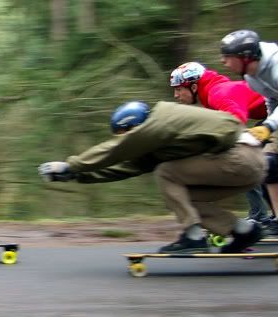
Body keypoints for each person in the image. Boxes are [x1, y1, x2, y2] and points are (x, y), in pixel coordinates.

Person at [38, 101, 265, 254]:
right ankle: (244, 231)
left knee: (166, 173)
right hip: (248, 167)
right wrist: (75, 176)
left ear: (134, 127)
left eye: (127, 135)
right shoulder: (161, 141)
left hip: (240, 157)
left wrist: (71, 164)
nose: (130, 140)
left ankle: (193, 237)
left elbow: (116, 150)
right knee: (181, 196)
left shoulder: (159, 121)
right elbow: (125, 167)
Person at [169, 61, 276, 231]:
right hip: (270, 116)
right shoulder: (213, 92)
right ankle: (261, 215)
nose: (176, 95)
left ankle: (264, 216)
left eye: (178, 89)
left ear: (194, 87)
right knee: (250, 158)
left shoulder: (217, 93)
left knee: (249, 159)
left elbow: (235, 124)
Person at [219, 29, 278, 234]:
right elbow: (272, 98)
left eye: (227, 56)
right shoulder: (251, 76)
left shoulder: (276, 65)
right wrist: (270, 128)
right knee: (269, 163)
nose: (223, 61)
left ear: (245, 57)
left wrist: (269, 126)